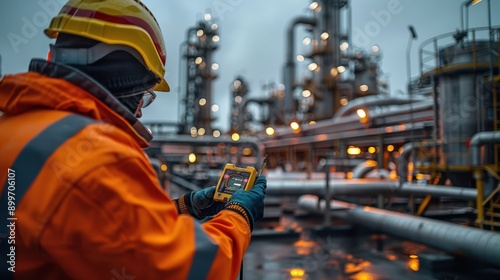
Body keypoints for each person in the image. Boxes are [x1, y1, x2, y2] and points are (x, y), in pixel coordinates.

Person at [0, 0, 267, 279]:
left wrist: (185, 207)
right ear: (122, 78)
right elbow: (184, 271)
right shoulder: (96, 156)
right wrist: (238, 215)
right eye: (144, 93)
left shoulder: (14, 126)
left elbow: (104, 229)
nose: (140, 108)